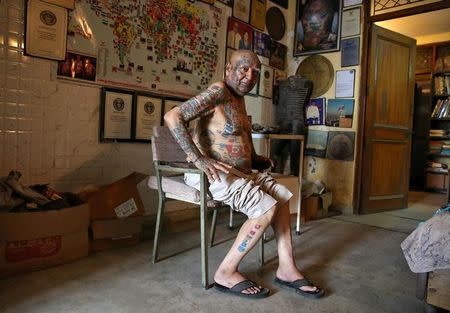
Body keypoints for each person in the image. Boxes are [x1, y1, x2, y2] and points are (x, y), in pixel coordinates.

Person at [164, 50, 324, 299]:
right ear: (228, 69)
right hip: (213, 174)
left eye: (255, 73)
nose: (250, 77)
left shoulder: (238, 98)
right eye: (244, 69)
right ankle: (226, 272)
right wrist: (199, 159)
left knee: (281, 199)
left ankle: (287, 268)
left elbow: (232, 138)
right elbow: (173, 116)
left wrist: (257, 159)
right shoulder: (219, 90)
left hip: (240, 173)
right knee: (264, 209)